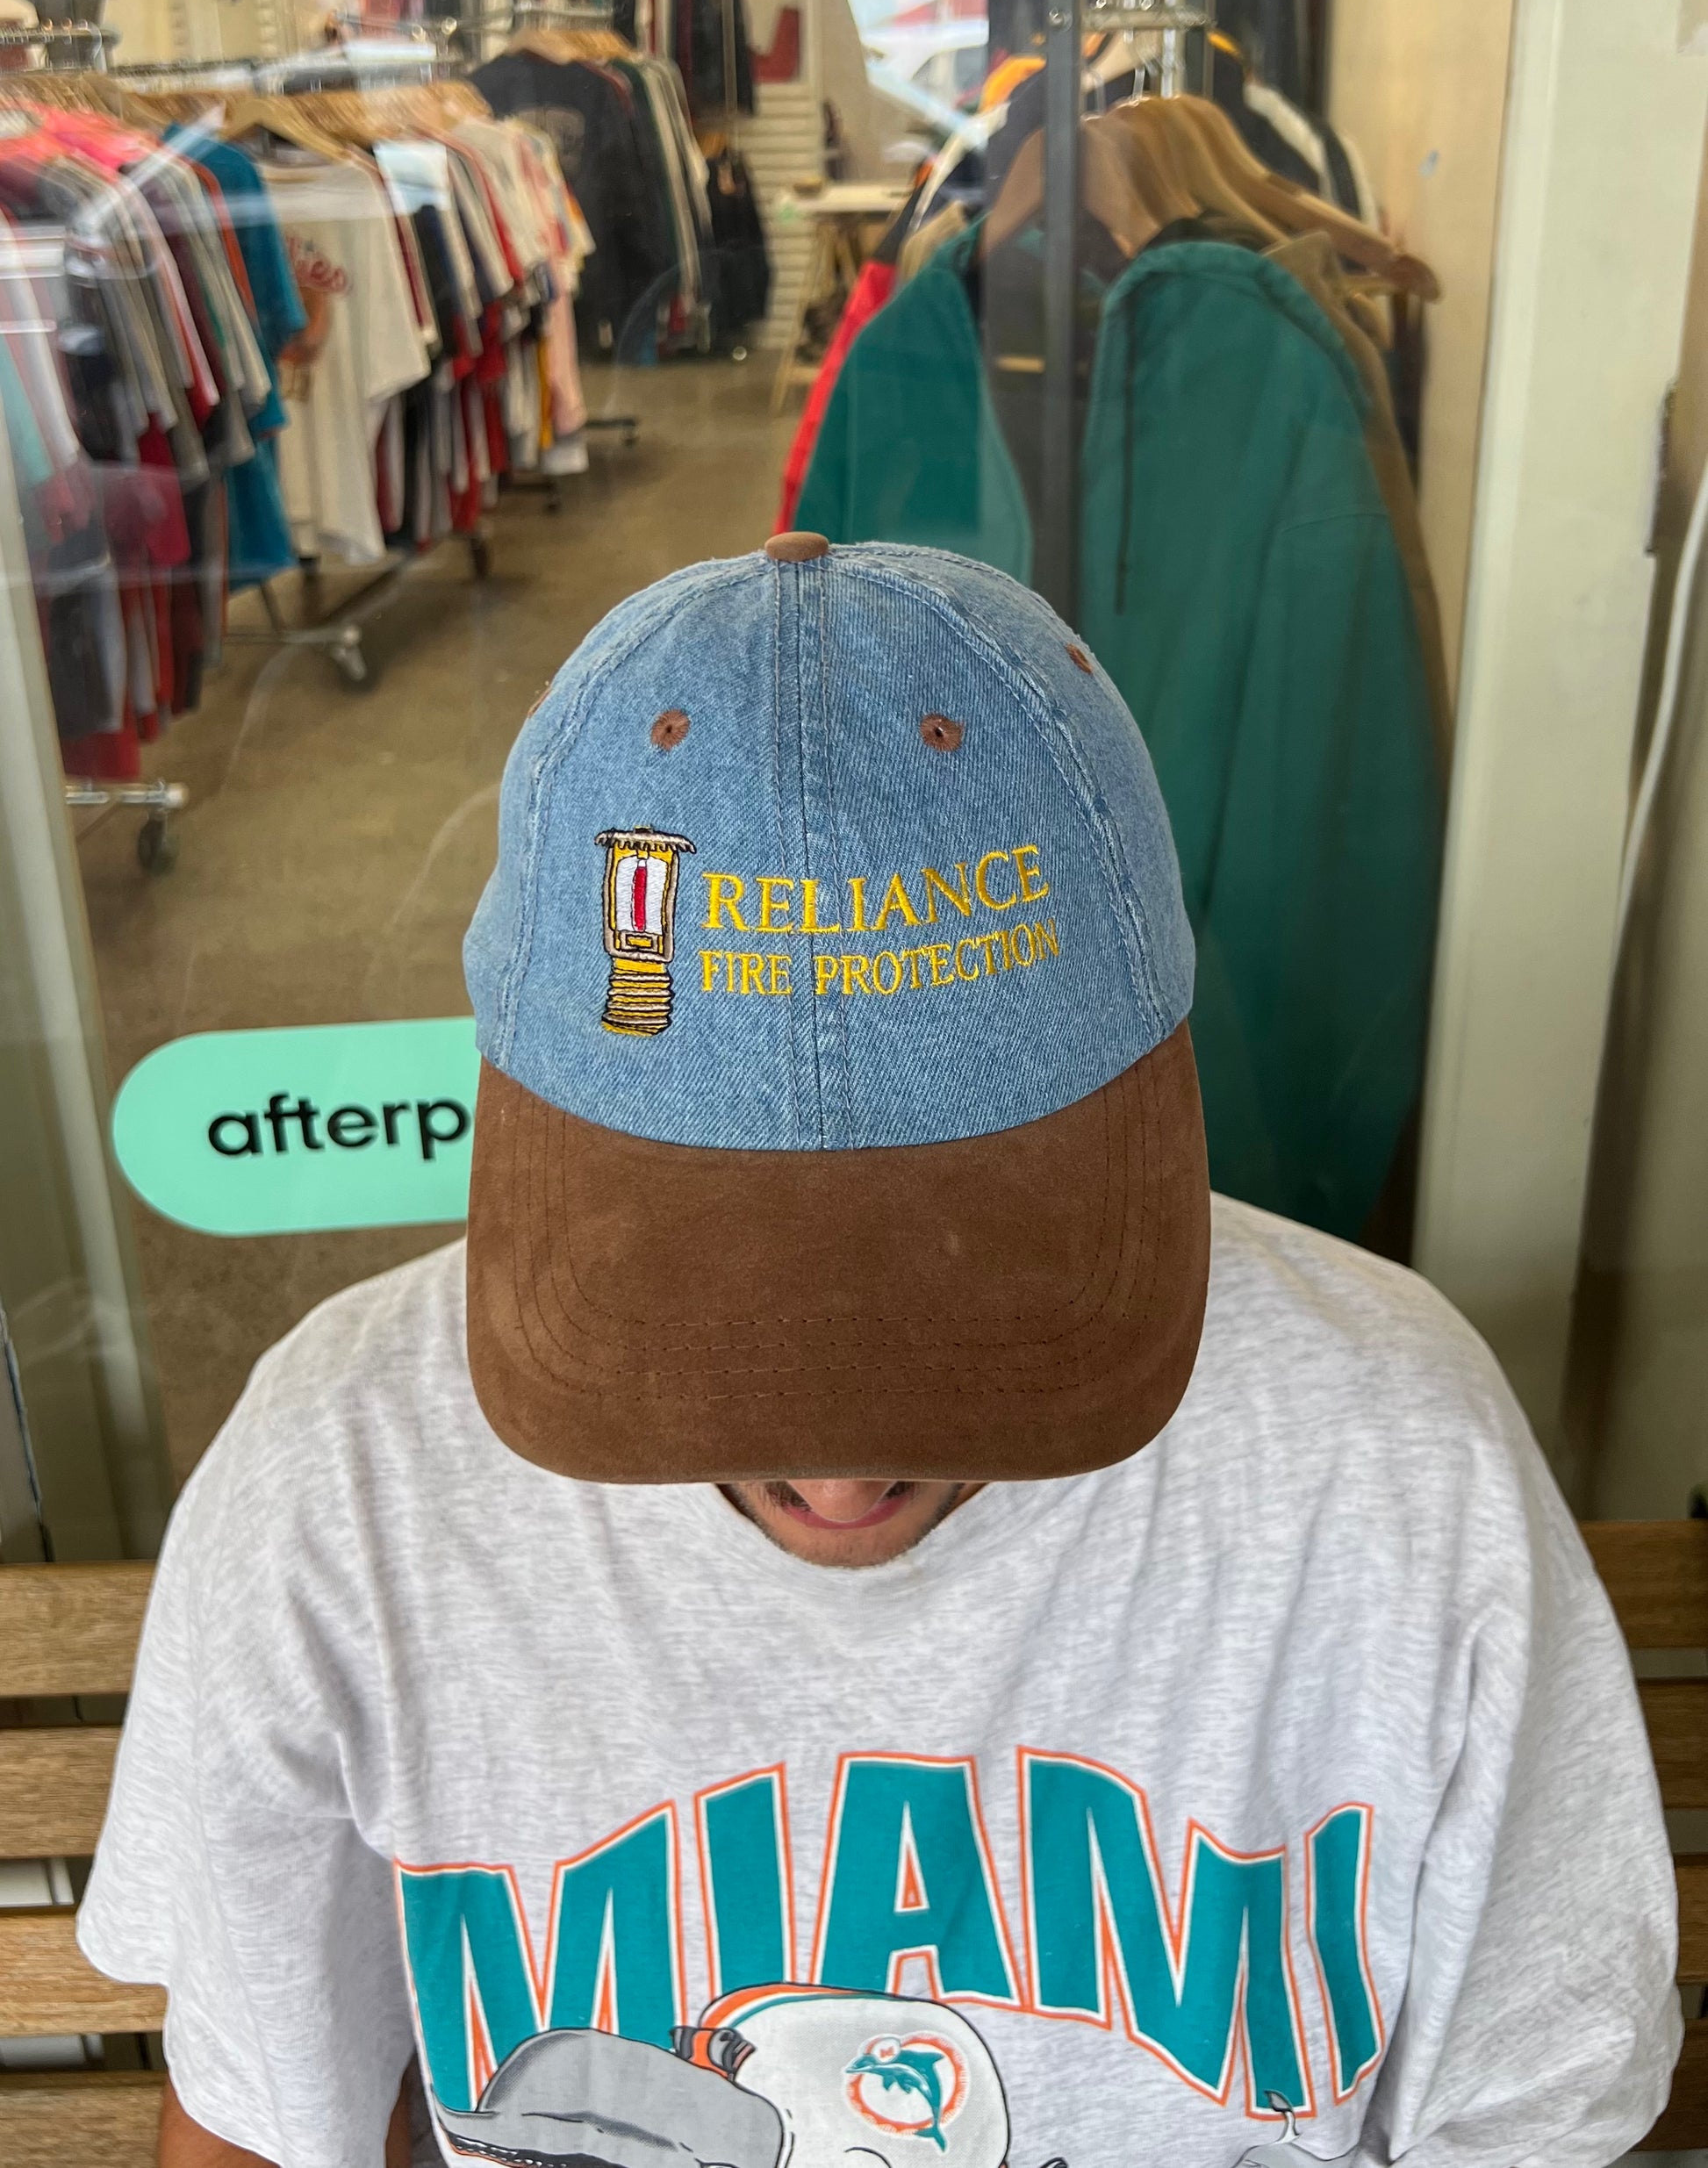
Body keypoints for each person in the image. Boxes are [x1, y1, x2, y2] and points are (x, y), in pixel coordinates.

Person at [82, 536, 1677, 2168]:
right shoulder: (339, 1487)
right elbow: (256, 2117)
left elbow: (1531, 2119)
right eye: (698, 1320)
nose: (841, 1476)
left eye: (966, 1321)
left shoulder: (1395, 1466)